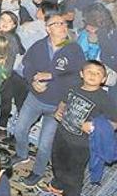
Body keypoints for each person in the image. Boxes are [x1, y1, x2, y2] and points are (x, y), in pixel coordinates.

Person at [12, 12, 85, 188]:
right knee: (19, 129)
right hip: (35, 98)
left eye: (63, 23)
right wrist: (33, 81)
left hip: (57, 104)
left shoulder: (74, 49)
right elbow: (26, 67)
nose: (63, 26)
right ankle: (22, 155)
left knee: (45, 144)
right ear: (48, 29)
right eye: (57, 23)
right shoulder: (38, 46)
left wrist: (52, 76)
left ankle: (37, 172)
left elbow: (77, 78)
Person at [49, 60, 117, 196]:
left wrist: (94, 126)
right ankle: (58, 182)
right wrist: (59, 110)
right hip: (62, 134)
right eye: (89, 71)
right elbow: (63, 102)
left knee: (74, 172)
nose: (93, 75)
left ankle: (71, 192)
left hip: (81, 144)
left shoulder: (104, 99)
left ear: (103, 79)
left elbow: (115, 122)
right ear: (81, 74)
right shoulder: (73, 87)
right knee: (57, 160)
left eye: (98, 73)